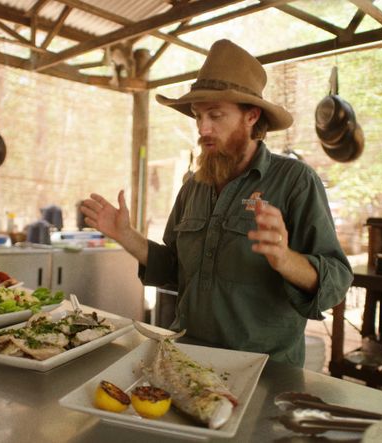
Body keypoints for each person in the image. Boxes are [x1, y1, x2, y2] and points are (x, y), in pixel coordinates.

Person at [80, 39, 353, 367]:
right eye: (198, 116)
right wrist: (126, 235)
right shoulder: (193, 186)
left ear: (251, 116)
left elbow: (337, 282)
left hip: (262, 372)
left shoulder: (295, 181)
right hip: (185, 360)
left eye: (215, 115)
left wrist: (285, 258)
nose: (202, 128)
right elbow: (173, 270)